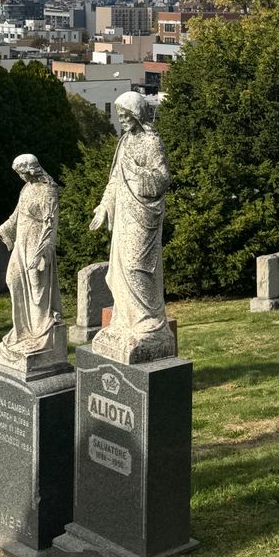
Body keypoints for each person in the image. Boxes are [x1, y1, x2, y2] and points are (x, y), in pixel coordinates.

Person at [89, 92, 174, 362]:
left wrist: (138, 176)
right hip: (124, 213)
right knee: (121, 268)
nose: (122, 121)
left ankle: (149, 323)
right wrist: (104, 207)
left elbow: (162, 178)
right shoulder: (124, 141)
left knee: (138, 266)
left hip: (143, 214)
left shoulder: (152, 142)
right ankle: (125, 321)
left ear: (137, 115)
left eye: (126, 116)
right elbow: (114, 179)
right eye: (120, 117)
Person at [0, 153, 62, 358]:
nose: (20, 176)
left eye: (21, 172)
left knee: (38, 288)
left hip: (37, 244)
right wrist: (3, 230)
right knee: (12, 280)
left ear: (30, 170)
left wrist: (42, 252)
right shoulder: (27, 188)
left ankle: (41, 334)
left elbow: (51, 225)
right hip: (21, 244)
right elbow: (17, 215)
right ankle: (22, 331)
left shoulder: (48, 191)